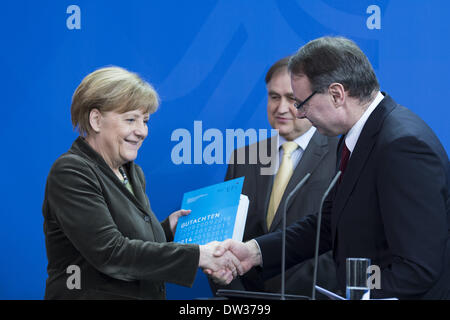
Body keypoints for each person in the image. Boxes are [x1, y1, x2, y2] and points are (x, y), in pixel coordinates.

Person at [214, 36, 450, 299]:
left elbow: (418, 266)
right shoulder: (353, 138)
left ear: (337, 94)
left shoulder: (403, 145)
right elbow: (327, 224)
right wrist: (255, 252)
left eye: (301, 103)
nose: (299, 114)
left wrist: (360, 295)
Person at [42, 66, 239, 299]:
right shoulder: (71, 172)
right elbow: (111, 253)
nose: (142, 131)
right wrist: (198, 255)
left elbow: (131, 241)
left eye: (145, 121)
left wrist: (168, 230)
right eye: (131, 119)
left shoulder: (132, 173)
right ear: (95, 120)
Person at [209, 57, 338, 298]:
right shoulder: (244, 158)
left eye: (291, 98)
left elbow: (343, 240)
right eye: (274, 97)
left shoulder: (341, 154)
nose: (280, 108)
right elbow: (224, 240)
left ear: (310, 98)